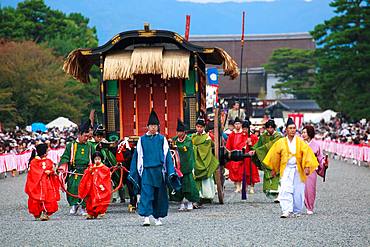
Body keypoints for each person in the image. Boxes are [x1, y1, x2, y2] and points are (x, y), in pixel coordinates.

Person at [129, 110, 179, 226]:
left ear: (158, 127)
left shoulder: (162, 139)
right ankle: (146, 217)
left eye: (155, 126)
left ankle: (158, 218)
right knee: (146, 194)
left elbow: (167, 156)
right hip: (147, 170)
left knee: (159, 195)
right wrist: (140, 171)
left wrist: (168, 171)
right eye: (151, 126)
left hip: (159, 171)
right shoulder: (142, 140)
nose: (153, 128)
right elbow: (139, 156)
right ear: (147, 127)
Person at [263, 118, 319, 218]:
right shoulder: (281, 142)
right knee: (285, 189)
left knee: (298, 190)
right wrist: (274, 169)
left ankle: (296, 210)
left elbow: (307, 154)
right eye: (290, 128)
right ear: (286, 130)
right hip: (286, 169)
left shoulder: (300, 142)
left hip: (298, 169)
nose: (293, 130)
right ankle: (286, 210)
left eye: (294, 128)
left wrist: (306, 166)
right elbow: (274, 155)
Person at [58, 120, 95, 216]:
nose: (87, 138)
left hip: (86, 171)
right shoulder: (71, 145)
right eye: (85, 136)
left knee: (86, 189)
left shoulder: (90, 146)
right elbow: (65, 156)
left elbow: (95, 157)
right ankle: (74, 205)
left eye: (88, 137)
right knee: (73, 188)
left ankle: (83, 207)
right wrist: (62, 167)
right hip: (74, 171)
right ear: (79, 135)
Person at [25, 143, 60, 221]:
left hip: (47, 183)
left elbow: (52, 169)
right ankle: (37, 213)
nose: (48, 153)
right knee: (36, 198)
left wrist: (51, 171)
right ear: (43, 152)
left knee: (48, 198)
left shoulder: (49, 161)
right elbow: (33, 172)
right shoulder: (34, 162)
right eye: (47, 151)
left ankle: (45, 213)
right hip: (37, 184)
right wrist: (44, 172)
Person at [171, 119, 200, 211]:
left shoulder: (188, 140)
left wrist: (177, 147)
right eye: (177, 132)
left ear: (184, 132)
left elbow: (185, 148)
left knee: (189, 185)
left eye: (180, 132)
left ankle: (190, 202)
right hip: (177, 166)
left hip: (186, 165)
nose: (178, 133)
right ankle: (181, 203)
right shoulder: (175, 139)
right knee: (179, 186)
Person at [250, 119, 282, 200]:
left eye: (271, 128)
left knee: (277, 176)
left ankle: (279, 195)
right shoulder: (263, 136)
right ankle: (273, 193)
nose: (270, 129)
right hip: (267, 159)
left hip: (277, 158)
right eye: (268, 128)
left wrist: (258, 150)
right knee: (268, 174)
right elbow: (258, 144)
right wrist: (254, 149)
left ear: (274, 128)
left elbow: (271, 145)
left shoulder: (278, 136)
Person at [191, 117, 219, 206]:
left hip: (205, 160)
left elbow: (208, 148)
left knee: (206, 179)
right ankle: (197, 197)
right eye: (198, 127)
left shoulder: (207, 138)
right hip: (195, 161)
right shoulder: (193, 137)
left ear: (203, 128)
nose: (199, 128)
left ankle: (206, 196)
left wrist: (197, 148)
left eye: (201, 127)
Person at [78, 151, 112, 219]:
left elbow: (106, 176)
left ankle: (100, 212)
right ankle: (90, 213)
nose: (97, 161)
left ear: (101, 159)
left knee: (100, 199)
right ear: (93, 160)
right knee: (90, 199)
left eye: (99, 159)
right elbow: (86, 174)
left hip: (100, 187)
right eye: (96, 159)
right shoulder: (91, 167)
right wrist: (89, 171)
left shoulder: (105, 168)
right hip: (91, 187)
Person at [301, 125, 325, 215]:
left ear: (310, 133)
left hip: (311, 169)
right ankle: (297, 206)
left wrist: (324, 163)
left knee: (310, 189)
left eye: (305, 132)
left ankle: (309, 207)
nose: (303, 134)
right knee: (298, 188)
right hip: (300, 168)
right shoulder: (299, 143)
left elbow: (320, 158)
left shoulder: (316, 145)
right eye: (302, 132)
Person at [225, 117, 245, 193]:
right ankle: (237, 186)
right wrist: (229, 152)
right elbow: (228, 144)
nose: (237, 125)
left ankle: (241, 186)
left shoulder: (244, 133)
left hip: (241, 154)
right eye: (236, 124)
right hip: (233, 154)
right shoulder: (232, 134)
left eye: (238, 124)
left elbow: (245, 142)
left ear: (241, 124)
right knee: (234, 171)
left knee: (241, 171)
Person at [241, 120, 259, 194]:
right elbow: (239, 146)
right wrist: (245, 143)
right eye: (244, 129)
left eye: (246, 128)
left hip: (252, 158)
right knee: (244, 172)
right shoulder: (241, 136)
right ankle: (245, 187)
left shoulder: (254, 136)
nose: (245, 130)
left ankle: (252, 187)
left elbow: (257, 147)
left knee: (252, 172)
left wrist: (251, 144)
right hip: (244, 157)